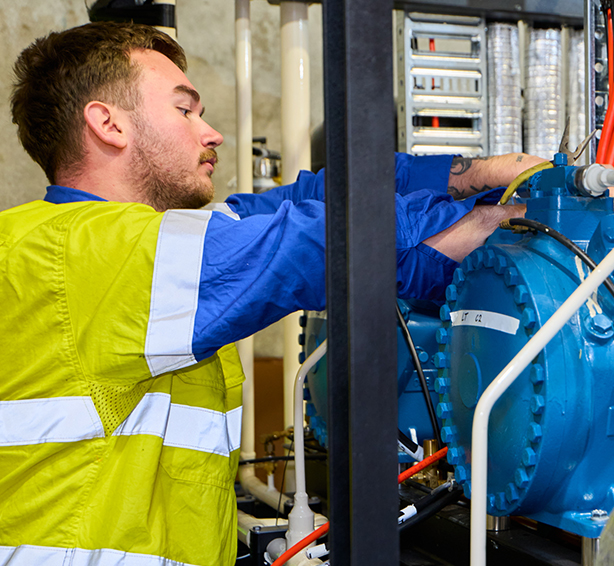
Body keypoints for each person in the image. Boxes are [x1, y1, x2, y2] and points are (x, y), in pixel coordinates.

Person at [1, 21, 543, 566]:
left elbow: (314, 199)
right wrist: (499, 217)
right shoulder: (93, 253)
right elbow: (316, 241)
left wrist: (474, 177)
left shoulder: (109, 245)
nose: (211, 133)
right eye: (185, 110)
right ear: (108, 123)